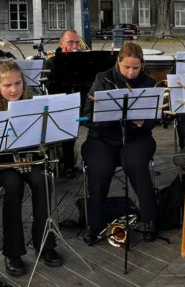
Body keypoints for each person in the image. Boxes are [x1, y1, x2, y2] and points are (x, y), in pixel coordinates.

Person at [0, 60, 62, 275]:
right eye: (7, 85)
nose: (14, 90)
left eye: (18, 84)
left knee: (42, 180)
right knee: (14, 186)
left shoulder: (33, 104)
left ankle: (45, 244)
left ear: (24, 84)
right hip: (1, 165)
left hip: (27, 159)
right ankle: (12, 251)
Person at [82, 43, 160, 244]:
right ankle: (94, 223)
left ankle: (150, 218)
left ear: (142, 64)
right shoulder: (103, 78)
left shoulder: (149, 83)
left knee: (135, 164)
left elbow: (156, 119)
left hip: (136, 137)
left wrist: (144, 121)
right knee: (100, 169)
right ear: (118, 62)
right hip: (103, 137)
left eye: (136, 68)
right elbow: (87, 115)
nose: (131, 72)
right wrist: (106, 117)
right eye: (127, 67)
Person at [44, 29, 84, 179]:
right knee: (67, 127)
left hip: (80, 98)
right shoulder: (51, 61)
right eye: (70, 42)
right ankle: (67, 165)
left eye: (77, 43)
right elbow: (49, 86)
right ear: (61, 44)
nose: (74, 46)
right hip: (59, 102)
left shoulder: (83, 60)